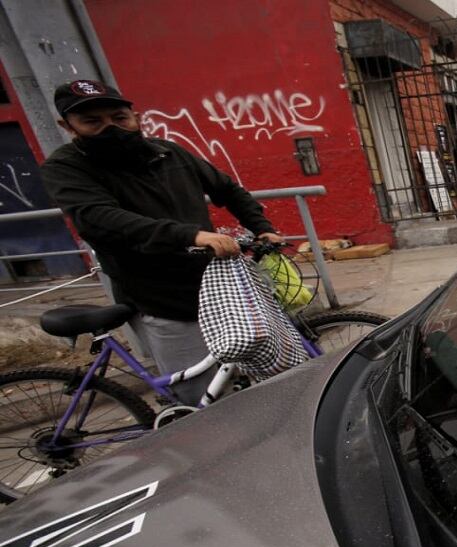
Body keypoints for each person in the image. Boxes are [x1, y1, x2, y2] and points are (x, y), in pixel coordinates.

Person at [40, 79, 283, 405]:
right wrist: (189, 235)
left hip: (217, 282)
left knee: (249, 364)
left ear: (135, 116)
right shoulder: (67, 168)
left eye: (119, 118)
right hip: (158, 295)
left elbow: (227, 189)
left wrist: (261, 227)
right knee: (202, 402)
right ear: (68, 126)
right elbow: (101, 216)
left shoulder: (169, 153)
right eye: (92, 122)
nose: (110, 128)